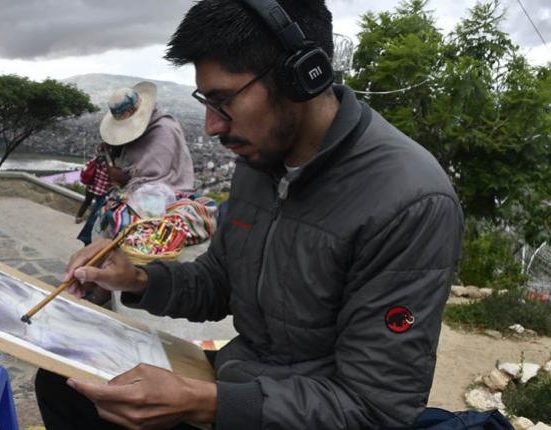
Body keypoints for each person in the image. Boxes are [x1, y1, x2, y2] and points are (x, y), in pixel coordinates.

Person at [34, 0, 464, 429]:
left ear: (301, 77)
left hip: (287, 412)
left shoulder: (410, 202)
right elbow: (220, 281)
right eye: (205, 101)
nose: (211, 127)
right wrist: (137, 279)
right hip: (239, 380)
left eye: (224, 101)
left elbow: (374, 409)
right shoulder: (259, 162)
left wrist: (206, 404)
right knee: (62, 382)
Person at [99, 81, 194, 194]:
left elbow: (151, 180)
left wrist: (114, 172)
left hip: (166, 195)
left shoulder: (164, 130)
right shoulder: (144, 131)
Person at [75, 146, 113, 225]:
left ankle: (79, 217)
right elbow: (110, 179)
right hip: (101, 190)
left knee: (86, 202)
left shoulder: (95, 160)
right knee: (97, 207)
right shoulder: (109, 166)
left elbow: (87, 167)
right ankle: (91, 222)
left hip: (91, 186)